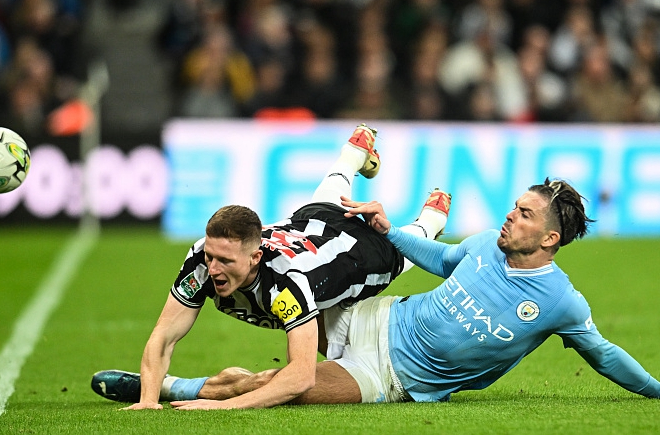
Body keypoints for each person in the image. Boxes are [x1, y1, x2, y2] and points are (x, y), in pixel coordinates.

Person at [98, 179, 660, 409]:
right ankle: (171, 388)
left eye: (525, 215)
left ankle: (172, 390)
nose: (510, 218)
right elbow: (444, 259)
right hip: (374, 316)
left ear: (551, 237)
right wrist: (390, 231)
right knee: (289, 366)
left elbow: (604, 355)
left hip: (392, 374)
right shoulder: (482, 245)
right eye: (514, 208)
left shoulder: (560, 302)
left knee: (285, 386)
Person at [91, 124, 453, 409]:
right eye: (211, 257)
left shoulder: (286, 284)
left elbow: (300, 376)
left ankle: (430, 220)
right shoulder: (201, 260)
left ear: (255, 257)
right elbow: (164, 335)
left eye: (225, 261)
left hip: (356, 256)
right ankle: (353, 153)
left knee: (402, 254)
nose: (213, 269)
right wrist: (148, 402)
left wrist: (228, 406)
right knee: (323, 202)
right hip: (310, 223)